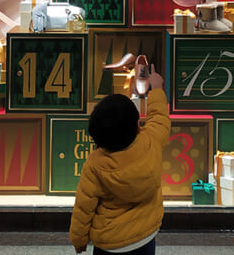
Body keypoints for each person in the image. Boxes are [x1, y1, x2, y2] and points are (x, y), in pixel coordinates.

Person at [69, 59, 170, 255]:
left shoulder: (95, 164)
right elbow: (159, 117)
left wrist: (78, 239)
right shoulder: (151, 142)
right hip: (145, 236)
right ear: (136, 126)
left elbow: (84, 207)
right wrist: (156, 88)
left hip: (110, 242)